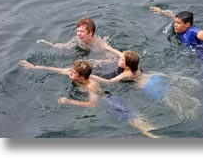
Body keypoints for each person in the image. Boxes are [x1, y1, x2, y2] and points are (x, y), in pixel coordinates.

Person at [18, 59, 160, 138]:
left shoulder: (91, 85)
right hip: (107, 99)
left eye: (73, 73)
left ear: (81, 77)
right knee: (133, 118)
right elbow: (55, 69)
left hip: (111, 101)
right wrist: (34, 67)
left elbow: (92, 104)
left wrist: (70, 101)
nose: (69, 73)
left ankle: (154, 135)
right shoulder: (77, 75)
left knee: (133, 119)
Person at [91, 45, 200, 119]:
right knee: (171, 90)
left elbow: (109, 82)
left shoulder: (126, 73)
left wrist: (90, 75)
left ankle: (186, 112)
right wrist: (108, 47)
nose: (119, 59)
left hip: (149, 86)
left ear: (127, 65)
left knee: (168, 99)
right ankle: (192, 101)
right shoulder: (135, 65)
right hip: (154, 77)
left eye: (121, 60)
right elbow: (123, 55)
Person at [36, 18, 116, 66]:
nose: (79, 34)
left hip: (102, 65)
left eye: (82, 31)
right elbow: (65, 46)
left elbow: (114, 60)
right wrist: (48, 43)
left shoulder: (101, 44)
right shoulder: (77, 39)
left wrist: (95, 62)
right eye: (77, 31)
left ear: (90, 32)